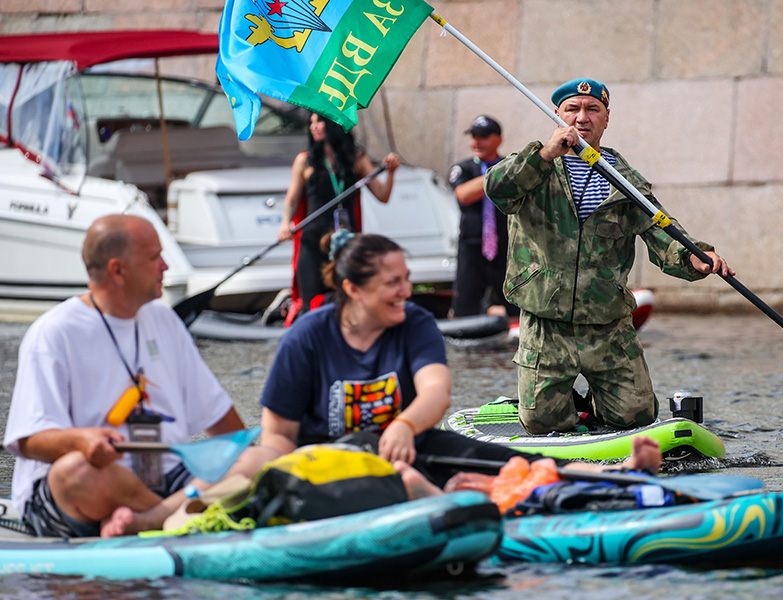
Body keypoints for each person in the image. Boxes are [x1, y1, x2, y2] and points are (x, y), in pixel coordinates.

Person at [256, 231, 663, 489]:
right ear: (354, 290)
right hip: (328, 462)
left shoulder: (414, 322)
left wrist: (403, 424)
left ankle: (616, 473)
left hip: (407, 445)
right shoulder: (307, 336)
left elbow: (436, 392)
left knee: (514, 461)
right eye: (392, 283)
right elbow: (276, 433)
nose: (406, 291)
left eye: (407, 278)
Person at [484, 77, 735, 435]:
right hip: (546, 319)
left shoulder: (626, 179)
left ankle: (588, 409)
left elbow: (660, 229)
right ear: (557, 114)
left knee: (637, 417)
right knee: (543, 423)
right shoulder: (533, 166)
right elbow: (497, 189)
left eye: (592, 109)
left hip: (608, 321)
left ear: (606, 119)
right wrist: (545, 154)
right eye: (572, 109)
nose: (582, 117)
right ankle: (562, 405)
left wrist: (695, 256)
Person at [3, 215, 262, 538]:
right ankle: (177, 517)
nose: (165, 266)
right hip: (96, 484)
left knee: (260, 457)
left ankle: (154, 518)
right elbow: (28, 439)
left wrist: (246, 461)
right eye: (154, 257)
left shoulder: (164, 320)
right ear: (117, 270)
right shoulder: (54, 333)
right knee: (75, 472)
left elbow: (223, 425)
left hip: (169, 482)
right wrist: (81, 440)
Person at [277, 112, 401, 325]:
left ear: (332, 125)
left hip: (346, 241)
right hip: (313, 241)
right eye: (311, 122)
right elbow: (291, 200)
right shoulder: (305, 160)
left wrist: (390, 173)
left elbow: (382, 195)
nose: (314, 127)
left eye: (320, 122)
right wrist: (284, 223)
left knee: (349, 296)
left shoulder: (356, 158)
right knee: (311, 300)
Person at [447, 116, 518, 318]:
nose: (477, 142)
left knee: (514, 302)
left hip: (506, 246)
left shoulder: (509, 166)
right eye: (474, 137)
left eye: (484, 137)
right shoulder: (464, 168)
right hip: (472, 246)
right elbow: (463, 195)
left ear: (498, 139)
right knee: (465, 305)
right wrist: (496, 173)